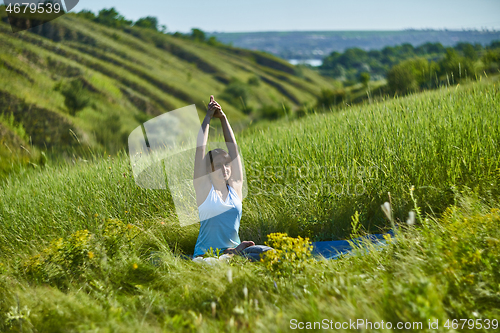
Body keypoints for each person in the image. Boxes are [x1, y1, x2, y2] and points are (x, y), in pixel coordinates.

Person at [192, 96, 272, 261]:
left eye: (227, 164)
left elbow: (233, 149)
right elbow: (200, 150)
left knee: (268, 254)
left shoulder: (235, 188)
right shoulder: (204, 189)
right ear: (208, 170)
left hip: (234, 251)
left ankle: (234, 252)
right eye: (218, 165)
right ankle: (230, 255)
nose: (224, 168)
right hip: (205, 257)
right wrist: (207, 117)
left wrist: (223, 118)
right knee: (218, 264)